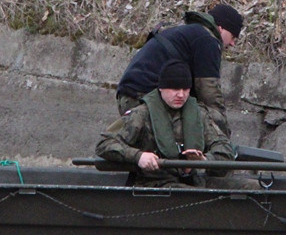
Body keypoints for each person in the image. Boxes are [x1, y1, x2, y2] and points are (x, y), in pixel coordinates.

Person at [97, 60, 235, 188]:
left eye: (185, 89)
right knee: (193, 195)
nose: (181, 95)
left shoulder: (199, 114)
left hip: (196, 180)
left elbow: (224, 148)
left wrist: (204, 160)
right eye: (175, 89)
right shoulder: (141, 114)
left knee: (245, 188)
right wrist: (138, 156)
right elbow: (105, 144)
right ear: (161, 88)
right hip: (156, 184)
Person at [115, 3, 243, 136]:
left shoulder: (187, 33)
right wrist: (223, 130)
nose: (232, 43)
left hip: (127, 94)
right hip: (146, 99)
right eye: (233, 37)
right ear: (221, 28)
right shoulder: (208, 40)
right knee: (201, 124)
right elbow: (208, 91)